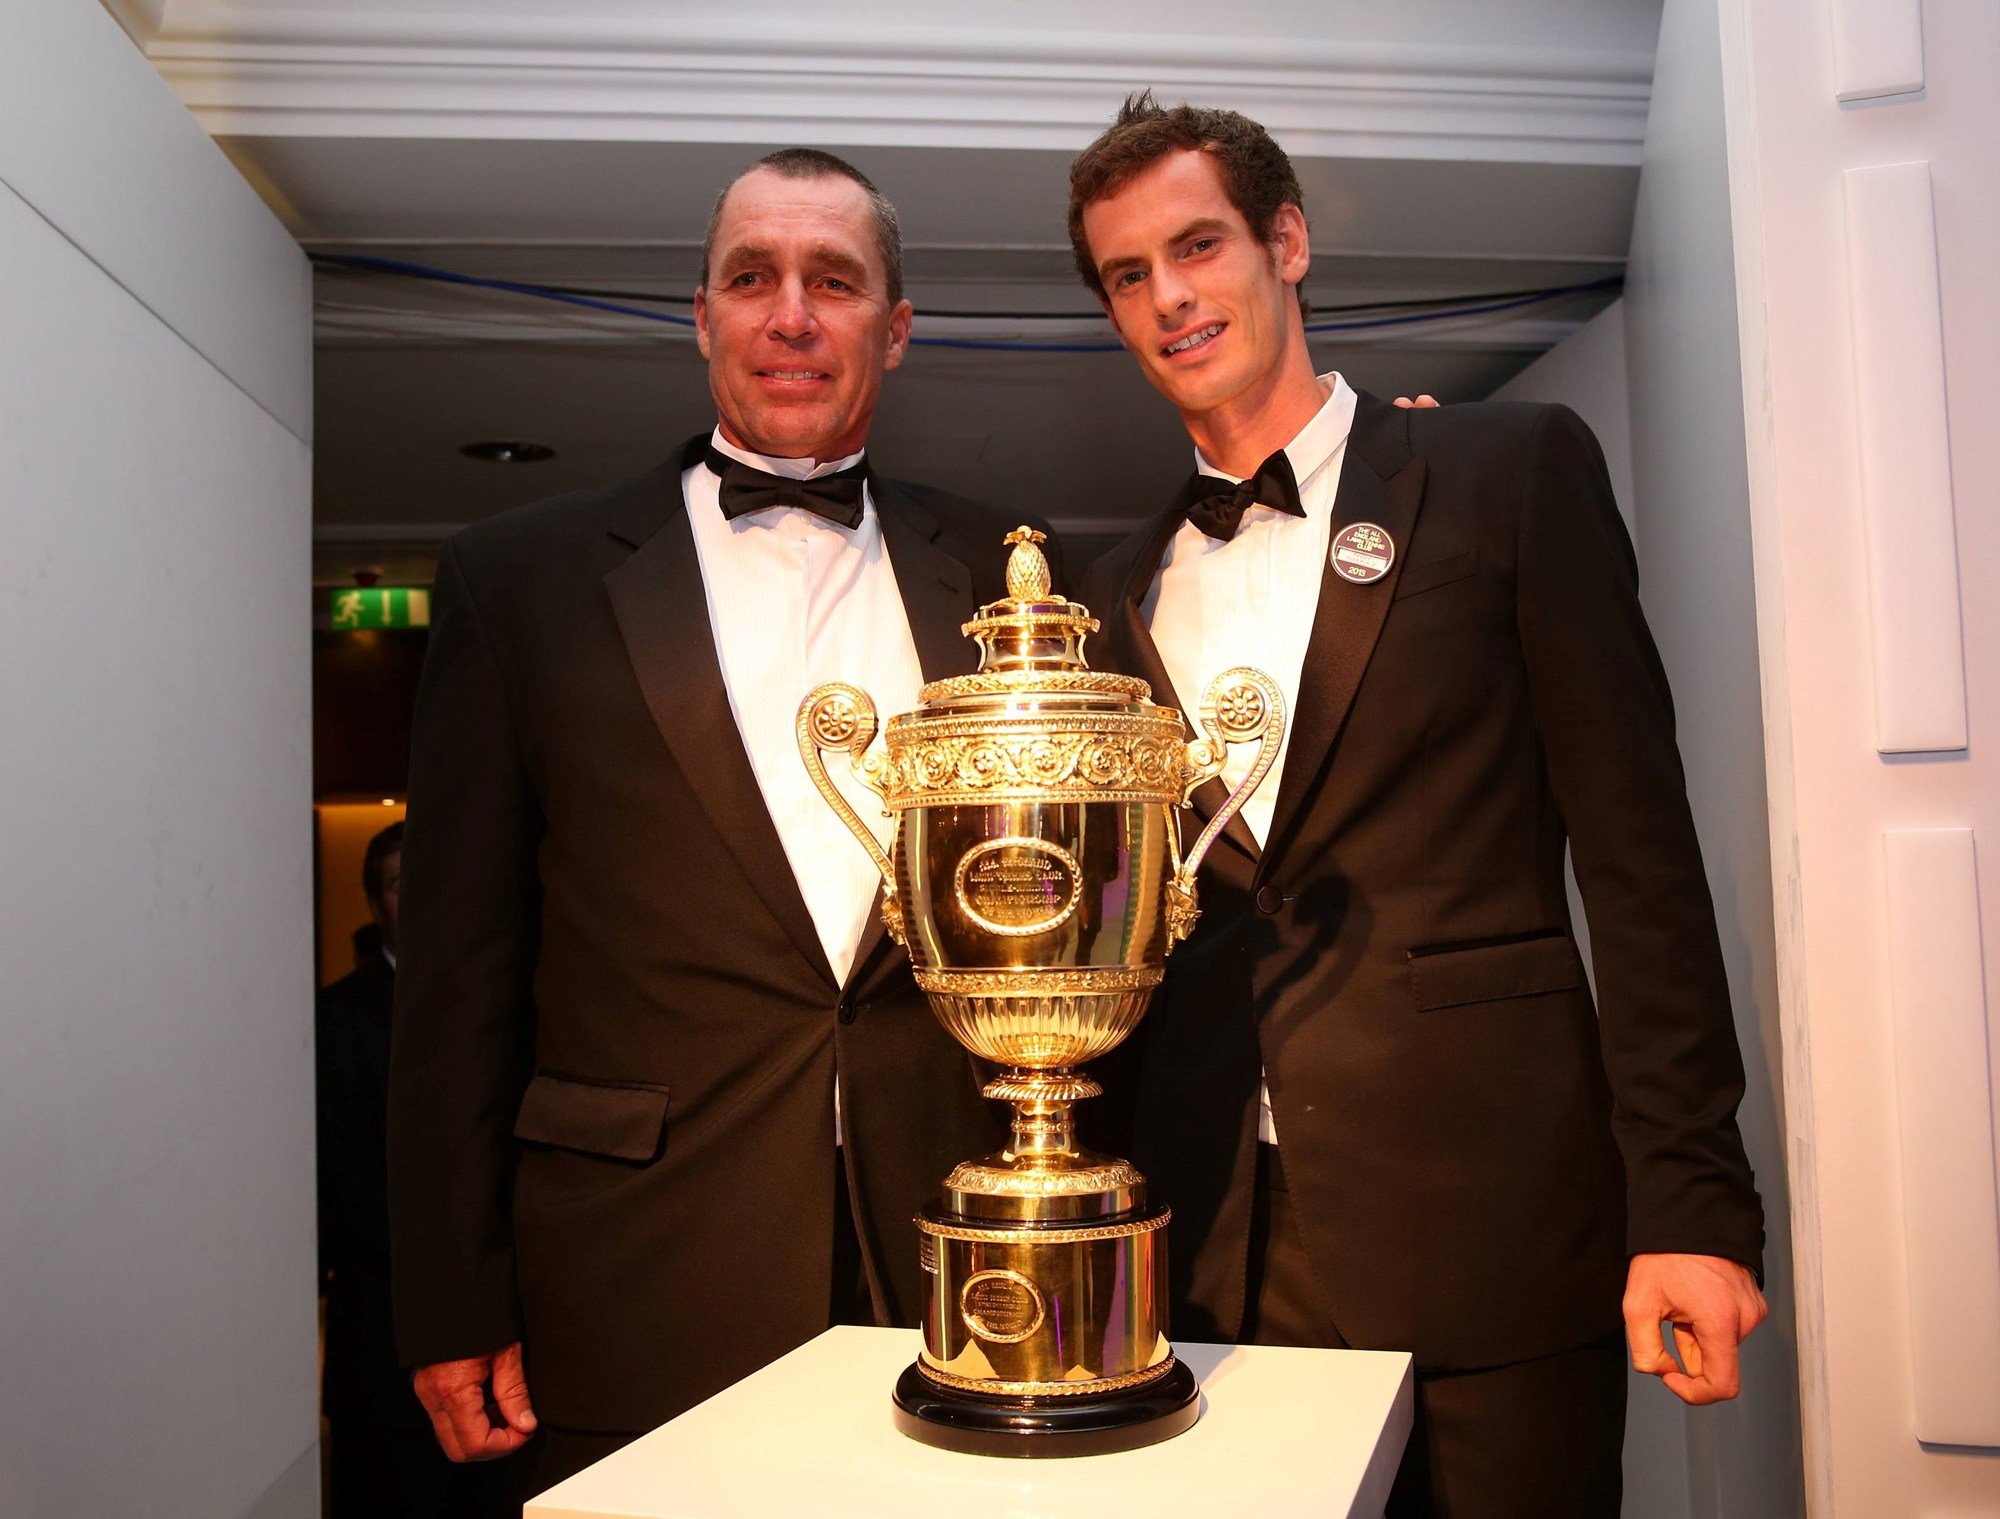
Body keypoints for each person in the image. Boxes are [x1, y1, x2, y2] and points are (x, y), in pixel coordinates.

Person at [1071, 97, 1767, 1516]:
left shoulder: (1509, 475)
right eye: (1127, 275)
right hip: (1207, 1260)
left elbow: (1641, 866)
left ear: (1288, 242)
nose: (1170, 297)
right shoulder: (1102, 595)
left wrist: (1691, 1204)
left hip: (1493, 1233)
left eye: (1197, 246)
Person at [388, 148, 1051, 1492]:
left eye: (835, 280)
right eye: (752, 277)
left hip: (959, 1258)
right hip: (633, 1262)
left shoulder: (1015, 572)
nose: (791, 313)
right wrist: (454, 1292)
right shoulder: (521, 580)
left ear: (896, 327)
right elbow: (457, 976)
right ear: (703, 318)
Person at [318, 822, 522, 1517]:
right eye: (404, 883)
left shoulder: (516, 1002)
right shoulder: (334, 1017)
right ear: (376, 904)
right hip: (382, 1337)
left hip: (513, 1337)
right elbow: (339, 1183)